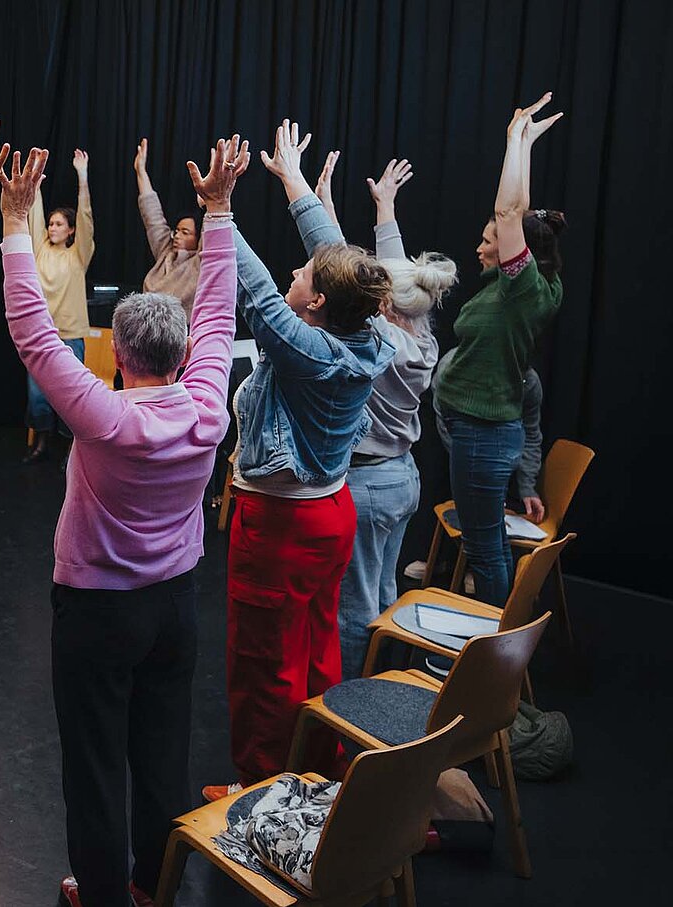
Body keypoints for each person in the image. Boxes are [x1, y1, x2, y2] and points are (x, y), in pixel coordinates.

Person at [9, 136, 246, 907]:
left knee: (95, 763)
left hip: (98, 613)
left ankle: (106, 894)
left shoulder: (104, 414)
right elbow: (217, 307)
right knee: (162, 753)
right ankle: (154, 886)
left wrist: (14, 222)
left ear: (120, 356)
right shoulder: (208, 405)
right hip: (174, 609)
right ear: (181, 356)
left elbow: (31, 333)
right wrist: (219, 209)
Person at [205, 120, 396, 800]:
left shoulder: (309, 351)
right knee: (314, 650)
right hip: (327, 519)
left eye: (304, 275)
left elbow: (257, 292)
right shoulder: (361, 325)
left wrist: (221, 207)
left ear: (314, 301)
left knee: (263, 663)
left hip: (281, 531)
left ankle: (263, 789)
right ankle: (318, 765)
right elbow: (335, 257)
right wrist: (290, 181)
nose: (297, 268)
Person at [306, 154, 457, 676]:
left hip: (368, 486)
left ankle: (349, 710)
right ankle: (380, 677)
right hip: (403, 477)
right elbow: (392, 273)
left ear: (384, 306)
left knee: (354, 607)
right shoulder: (421, 334)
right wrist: (385, 209)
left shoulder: (381, 341)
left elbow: (338, 269)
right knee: (383, 587)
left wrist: (308, 194)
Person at [432, 92, 567, 609]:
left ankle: (488, 661)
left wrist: (514, 141)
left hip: (484, 435)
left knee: (485, 550)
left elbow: (510, 212)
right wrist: (526, 146)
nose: (485, 244)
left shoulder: (523, 290)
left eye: (493, 238)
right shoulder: (509, 287)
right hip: (477, 430)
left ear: (520, 254)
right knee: (484, 545)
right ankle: (491, 654)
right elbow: (520, 214)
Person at [21, 148, 94, 463]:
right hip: (42, 335)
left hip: (70, 335)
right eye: (50, 224)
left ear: (71, 230)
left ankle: (70, 447)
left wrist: (82, 177)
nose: (52, 228)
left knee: (70, 399)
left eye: (59, 224)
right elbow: (32, 217)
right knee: (38, 397)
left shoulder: (78, 255)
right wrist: (35, 184)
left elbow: (86, 218)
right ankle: (41, 443)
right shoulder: (39, 250)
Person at [132, 138, 203, 311]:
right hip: (146, 328)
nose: (177, 235)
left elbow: (214, 228)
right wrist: (140, 171)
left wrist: (210, 202)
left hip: (181, 333)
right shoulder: (166, 252)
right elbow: (152, 217)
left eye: (185, 232)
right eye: (176, 231)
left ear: (199, 238)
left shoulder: (200, 263)